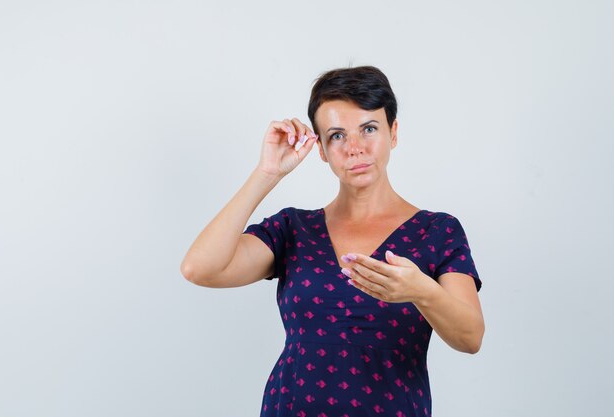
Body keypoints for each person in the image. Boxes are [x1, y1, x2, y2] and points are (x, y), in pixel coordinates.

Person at [180, 65, 484, 417]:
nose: (354, 148)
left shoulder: (437, 231)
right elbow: (199, 268)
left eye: (369, 129)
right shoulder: (293, 229)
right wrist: (266, 174)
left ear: (393, 133)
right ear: (321, 148)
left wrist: (421, 291)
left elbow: (470, 337)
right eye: (337, 135)